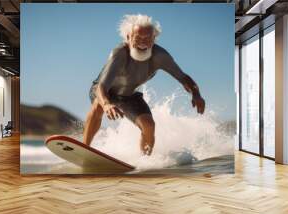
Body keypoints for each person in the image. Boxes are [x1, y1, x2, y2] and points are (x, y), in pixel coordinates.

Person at [83, 14, 205, 156]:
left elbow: (184, 78)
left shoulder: (160, 56)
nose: (143, 42)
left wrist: (196, 94)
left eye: (148, 38)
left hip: (129, 96)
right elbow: (101, 87)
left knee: (148, 125)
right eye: (138, 38)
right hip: (104, 91)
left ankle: (145, 160)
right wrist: (106, 104)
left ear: (154, 39)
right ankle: (84, 149)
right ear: (128, 37)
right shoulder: (120, 54)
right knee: (99, 105)